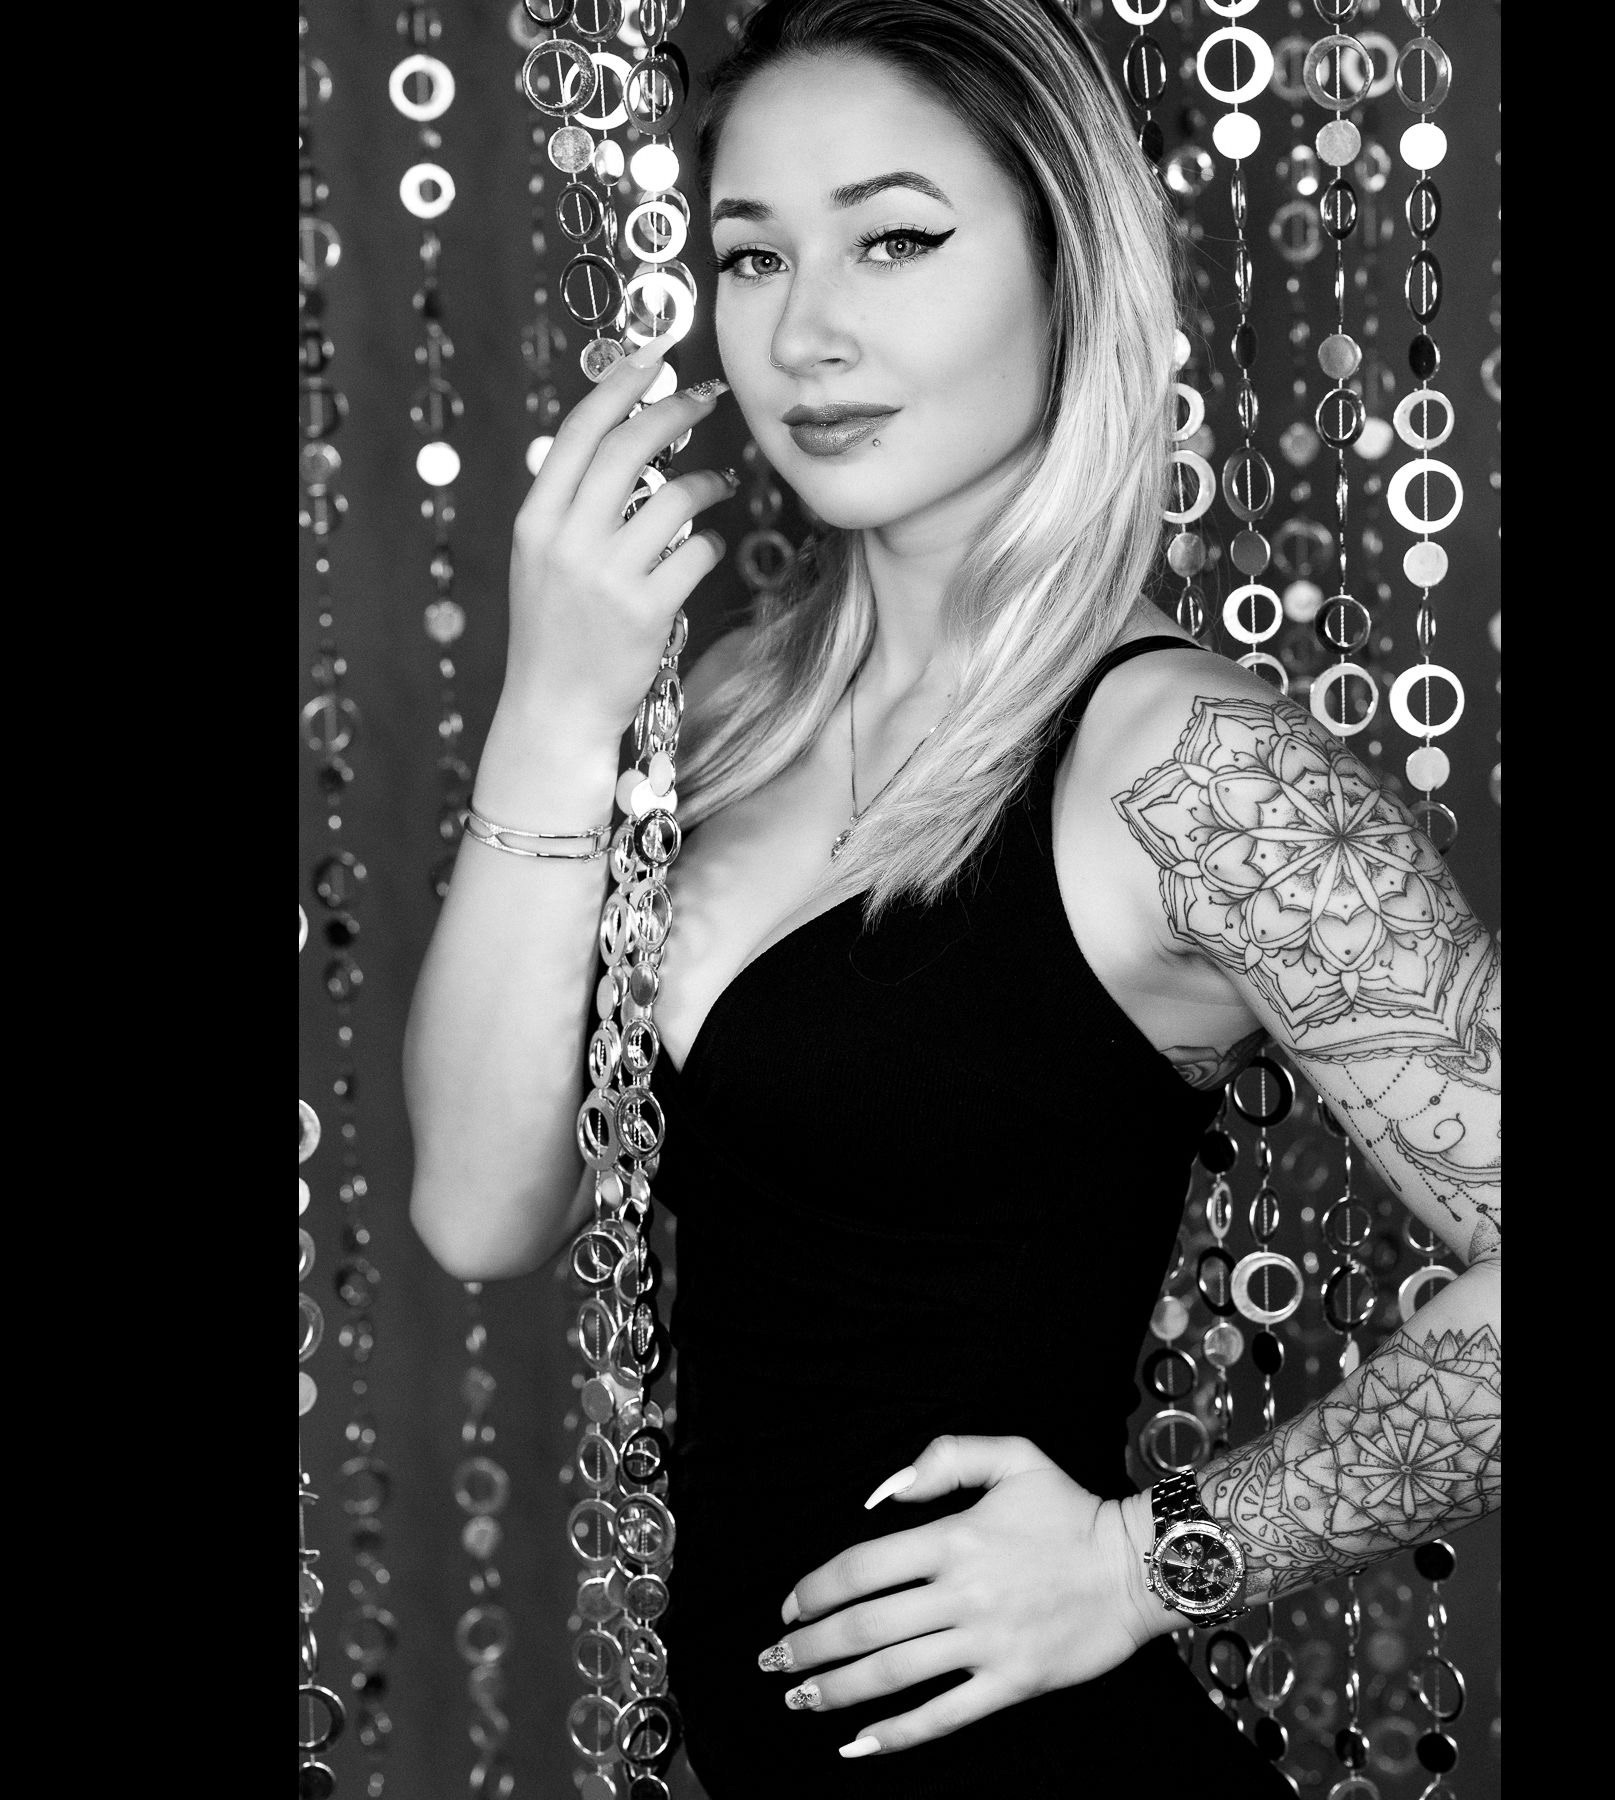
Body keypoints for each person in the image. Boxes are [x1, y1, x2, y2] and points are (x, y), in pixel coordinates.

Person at [404, 1, 1501, 1793]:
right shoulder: (728, 706)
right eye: (752, 255)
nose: (805, 333)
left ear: (1069, 269)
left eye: (897, 241)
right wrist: (549, 714)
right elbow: (476, 1205)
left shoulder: (1182, 764)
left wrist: (1146, 1565)